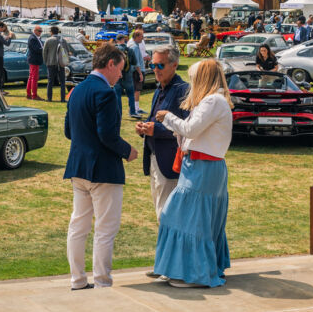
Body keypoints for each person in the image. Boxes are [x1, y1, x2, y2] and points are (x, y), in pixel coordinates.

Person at [64, 44, 139, 290]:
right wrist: (129, 151)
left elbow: (68, 132)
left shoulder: (77, 91)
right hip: (103, 170)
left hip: (79, 166)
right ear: (110, 64)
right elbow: (107, 135)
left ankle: (77, 279)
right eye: (120, 68)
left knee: (79, 226)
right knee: (105, 229)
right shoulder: (106, 93)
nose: (121, 74)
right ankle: (102, 281)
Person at [152, 59, 233, 288]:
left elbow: (190, 130)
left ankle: (193, 273)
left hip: (202, 167)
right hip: (202, 166)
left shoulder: (212, 101)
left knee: (183, 218)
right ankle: (184, 268)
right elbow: (191, 134)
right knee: (197, 220)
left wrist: (167, 117)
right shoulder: (215, 101)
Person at [135, 46, 189, 223]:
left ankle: (170, 250)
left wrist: (155, 130)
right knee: (161, 210)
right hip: (155, 157)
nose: (155, 70)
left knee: (169, 215)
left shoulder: (183, 90)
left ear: (174, 65)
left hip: (171, 162)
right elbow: (155, 120)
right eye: (153, 65)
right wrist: (144, 128)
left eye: (160, 66)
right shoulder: (159, 90)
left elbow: (188, 129)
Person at [42, 26, 68, 102]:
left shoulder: (48, 40)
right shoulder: (63, 40)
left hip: (51, 63)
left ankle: (49, 98)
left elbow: (44, 52)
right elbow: (67, 51)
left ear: (51, 32)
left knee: (50, 81)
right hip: (61, 63)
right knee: (62, 82)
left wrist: (46, 61)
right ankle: (62, 99)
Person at [115, 34, 139, 118]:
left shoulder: (114, 50)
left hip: (117, 75)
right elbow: (134, 63)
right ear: (124, 40)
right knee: (131, 95)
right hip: (128, 75)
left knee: (117, 95)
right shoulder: (130, 50)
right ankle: (132, 112)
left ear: (117, 41)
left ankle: (119, 114)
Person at [26, 25, 43, 100]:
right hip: (34, 59)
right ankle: (34, 95)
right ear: (35, 31)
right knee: (34, 78)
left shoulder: (36, 38)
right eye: (39, 31)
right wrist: (44, 49)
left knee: (31, 77)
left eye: (41, 31)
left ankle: (29, 94)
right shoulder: (33, 38)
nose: (40, 33)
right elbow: (37, 49)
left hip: (34, 59)